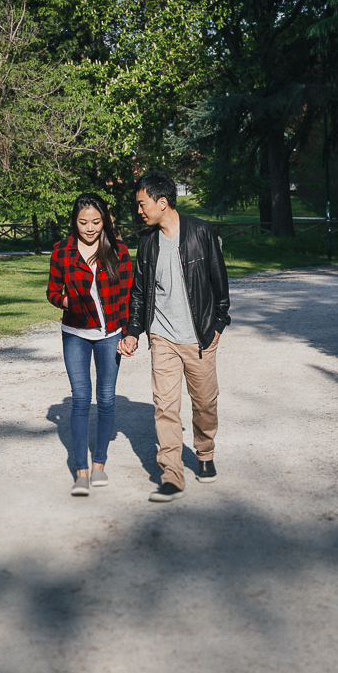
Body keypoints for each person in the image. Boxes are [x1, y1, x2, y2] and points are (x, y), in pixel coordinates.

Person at [119, 171, 230, 502]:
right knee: (165, 406)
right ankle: (172, 474)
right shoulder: (147, 244)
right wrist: (133, 331)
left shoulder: (200, 233)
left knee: (205, 403)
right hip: (162, 338)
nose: (139, 210)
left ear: (161, 202)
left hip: (199, 338)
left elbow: (219, 284)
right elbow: (139, 292)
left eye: (142, 204)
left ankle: (205, 451)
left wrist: (218, 326)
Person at [47, 193, 134, 496]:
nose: (90, 227)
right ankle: (81, 471)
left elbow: (127, 296)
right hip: (76, 333)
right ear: (75, 221)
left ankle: (99, 464)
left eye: (96, 222)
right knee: (81, 399)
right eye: (83, 222)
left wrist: (128, 333)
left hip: (110, 334)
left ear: (104, 221)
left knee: (107, 399)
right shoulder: (62, 251)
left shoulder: (119, 251)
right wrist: (66, 300)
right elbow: (52, 292)